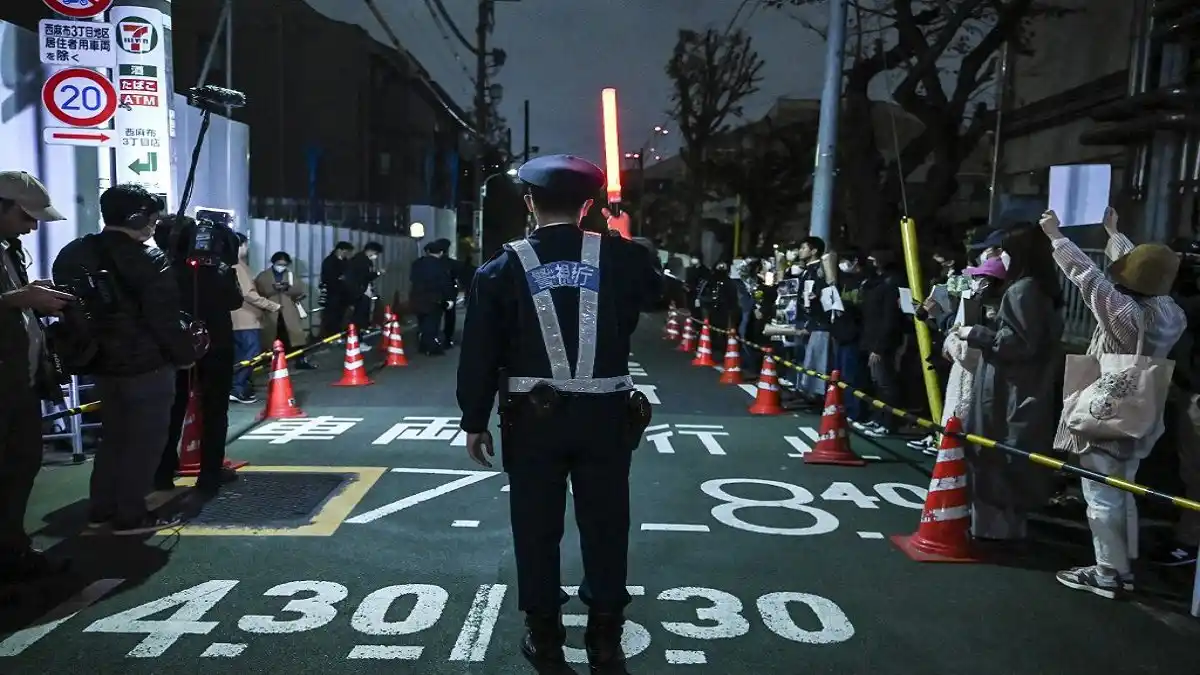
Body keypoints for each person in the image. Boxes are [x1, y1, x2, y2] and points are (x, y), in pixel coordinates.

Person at [456, 154, 661, 673]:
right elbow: (656, 292)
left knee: (536, 527)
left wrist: (474, 418)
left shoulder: (500, 268)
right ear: (588, 204)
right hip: (607, 419)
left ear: (530, 202)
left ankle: (545, 637)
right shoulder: (622, 259)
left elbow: (480, 350)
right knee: (607, 524)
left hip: (532, 420)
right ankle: (605, 639)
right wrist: (622, 238)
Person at [1043, 208, 1186, 597]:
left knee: (1100, 494)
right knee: (1123, 491)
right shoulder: (1171, 313)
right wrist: (1114, 233)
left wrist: (1056, 236)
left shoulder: (1124, 313)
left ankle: (1107, 572)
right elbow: (1137, 271)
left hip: (1108, 413)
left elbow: (1087, 277)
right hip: (1143, 411)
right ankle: (1123, 566)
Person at [52, 184, 196, 534]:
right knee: (145, 440)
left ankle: (101, 507)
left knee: (114, 436)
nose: (154, 223)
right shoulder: (150, 259)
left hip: (98, 362)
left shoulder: (74, 253)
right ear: (136, 217)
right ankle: (131, 514)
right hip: (147, 364)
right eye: (150, 216)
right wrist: (185, 356)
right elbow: (164, 319)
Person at [956, 223, 1063, 545]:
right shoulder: (1043, 288)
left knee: (995, 452)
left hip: (1008, 386)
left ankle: (993, 530)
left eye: (1004, 250)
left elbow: (1015, 343)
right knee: (1015, 454)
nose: (1000, 256)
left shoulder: (1022, 290)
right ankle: (1009, 525)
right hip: (1029, 384)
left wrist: (974, 333)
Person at [0, 171, 72, 574]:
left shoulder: (9, 249)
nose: (32, 227)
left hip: (20, 381)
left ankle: (13, 553)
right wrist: (19, 299)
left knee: (21, 466)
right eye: (27, 217)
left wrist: (30, 294)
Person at [153, 214, 243, 497]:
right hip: (216, 345)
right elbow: (234, 300)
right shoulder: (217, 270)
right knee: (215, 411)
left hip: (174, 347)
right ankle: (209, 476)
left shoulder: (159, 267)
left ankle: (162, 473)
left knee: (171, 410)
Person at [230, 233, 281, 404]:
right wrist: (271, 306)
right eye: (245, 245)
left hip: (235, 318)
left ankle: (239, 387)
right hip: (247, 318)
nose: (247, 248)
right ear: (240, 245)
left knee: (240, 355)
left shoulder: (227, 263)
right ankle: (238, 387)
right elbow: (248, 293)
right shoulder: (238, 265)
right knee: (252, 353)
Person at [256, 251, 313, 369]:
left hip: (289, 310)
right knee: (271, 336)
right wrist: (273, 289)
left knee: (295, 335)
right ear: (273, 263)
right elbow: (259, 291)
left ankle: (300, 360)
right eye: (279, 263)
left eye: (284, 264)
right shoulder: (263, 275)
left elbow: (300, 290)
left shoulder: (291, 275)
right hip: (271, 310)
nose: (281, 266)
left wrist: (287, 289)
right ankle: (269, 362)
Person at [345, 241, 383, 336]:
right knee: (359, 316)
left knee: (362, 316)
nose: (376, 256)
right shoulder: (361, 261)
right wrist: (377, 273)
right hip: (360, 292)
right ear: (371, 251)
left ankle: (359, 336)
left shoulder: (361, 259)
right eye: (376, 253)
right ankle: (357, 339)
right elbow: (364, 276)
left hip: (361, 291)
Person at [318, 241, 354, 338]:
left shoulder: (346, 261)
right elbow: (327, 278)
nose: (347, 254)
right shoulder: (329, 261)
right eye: (345, 251)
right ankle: (331, 337)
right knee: (331, 317)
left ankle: (339, 335)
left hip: (344, 294)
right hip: (332, 294)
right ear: (339, 250)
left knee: (341, 316)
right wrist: (339, 278)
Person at [435, 238, 463, 347]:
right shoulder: (452, 263)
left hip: (435, 292)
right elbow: (457, 277)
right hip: (450, 293)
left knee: (434, 316)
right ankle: (447, 338)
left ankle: (433, 338)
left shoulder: (432, 262)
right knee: (450, 316)